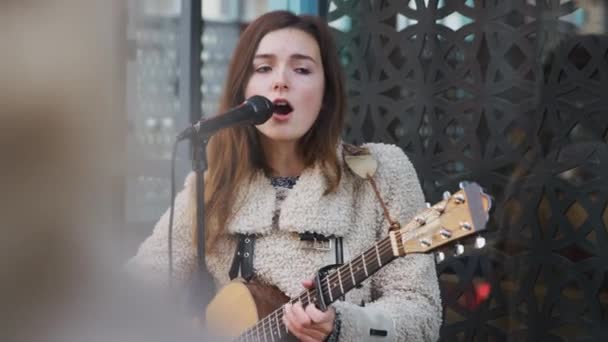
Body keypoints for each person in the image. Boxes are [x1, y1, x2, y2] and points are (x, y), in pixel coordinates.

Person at [128, 10, 442, 341]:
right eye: (263, 68)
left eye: (302, 69)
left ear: (325, 95)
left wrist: (341, 325)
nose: (281, 80)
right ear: (243, 92)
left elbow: (420, 314)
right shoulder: (210, 185)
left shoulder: (380, 174)